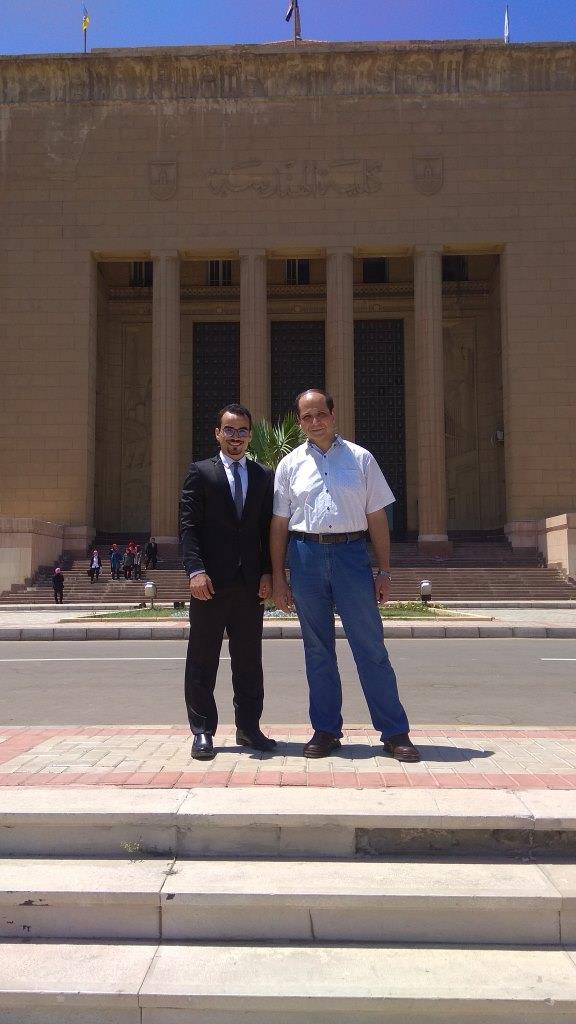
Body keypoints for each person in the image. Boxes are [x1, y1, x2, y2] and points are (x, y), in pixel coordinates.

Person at [271, 388, 419, 763]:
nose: (315, 422)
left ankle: (394, 731)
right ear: (299, 421)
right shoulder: (289, 465)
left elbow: (376, 517)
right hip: (305, 555)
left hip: (352, 554)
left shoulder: (360, 458)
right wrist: (279, 577)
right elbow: (279, 524)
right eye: (307, 416)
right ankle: (325, 730)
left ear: (333, 415)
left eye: (320, 414)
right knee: (317, 649)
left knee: (370, 647)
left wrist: (384, 570)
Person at [180, 403, 276, 761]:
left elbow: (266, 530)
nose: (236, 437)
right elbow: (188, 527)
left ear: (249, 435)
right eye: (229, 430)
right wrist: (195, 570)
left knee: (249, 660)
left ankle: (249, 728)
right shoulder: (200, 472)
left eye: (242, 430)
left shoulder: (263, 475)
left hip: (250, 585)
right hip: (210, 583)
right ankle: (203, 731)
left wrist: (268, 572)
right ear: (217, 434)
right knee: (203, 658)